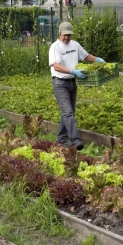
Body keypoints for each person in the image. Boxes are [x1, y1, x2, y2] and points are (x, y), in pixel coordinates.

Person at [49, 21, 105, 150]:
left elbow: (85, 56)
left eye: (69, 35)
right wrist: (72, 71)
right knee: (68, 113)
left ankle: (61, 139)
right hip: (60, 83)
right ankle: (76, 140)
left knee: (68, 112)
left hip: (73, 82)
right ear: (60, 34)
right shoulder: (55, 47)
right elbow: (56, 66)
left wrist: (97, 59)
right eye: (65, 35)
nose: (67, 38)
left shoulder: (75, 45)